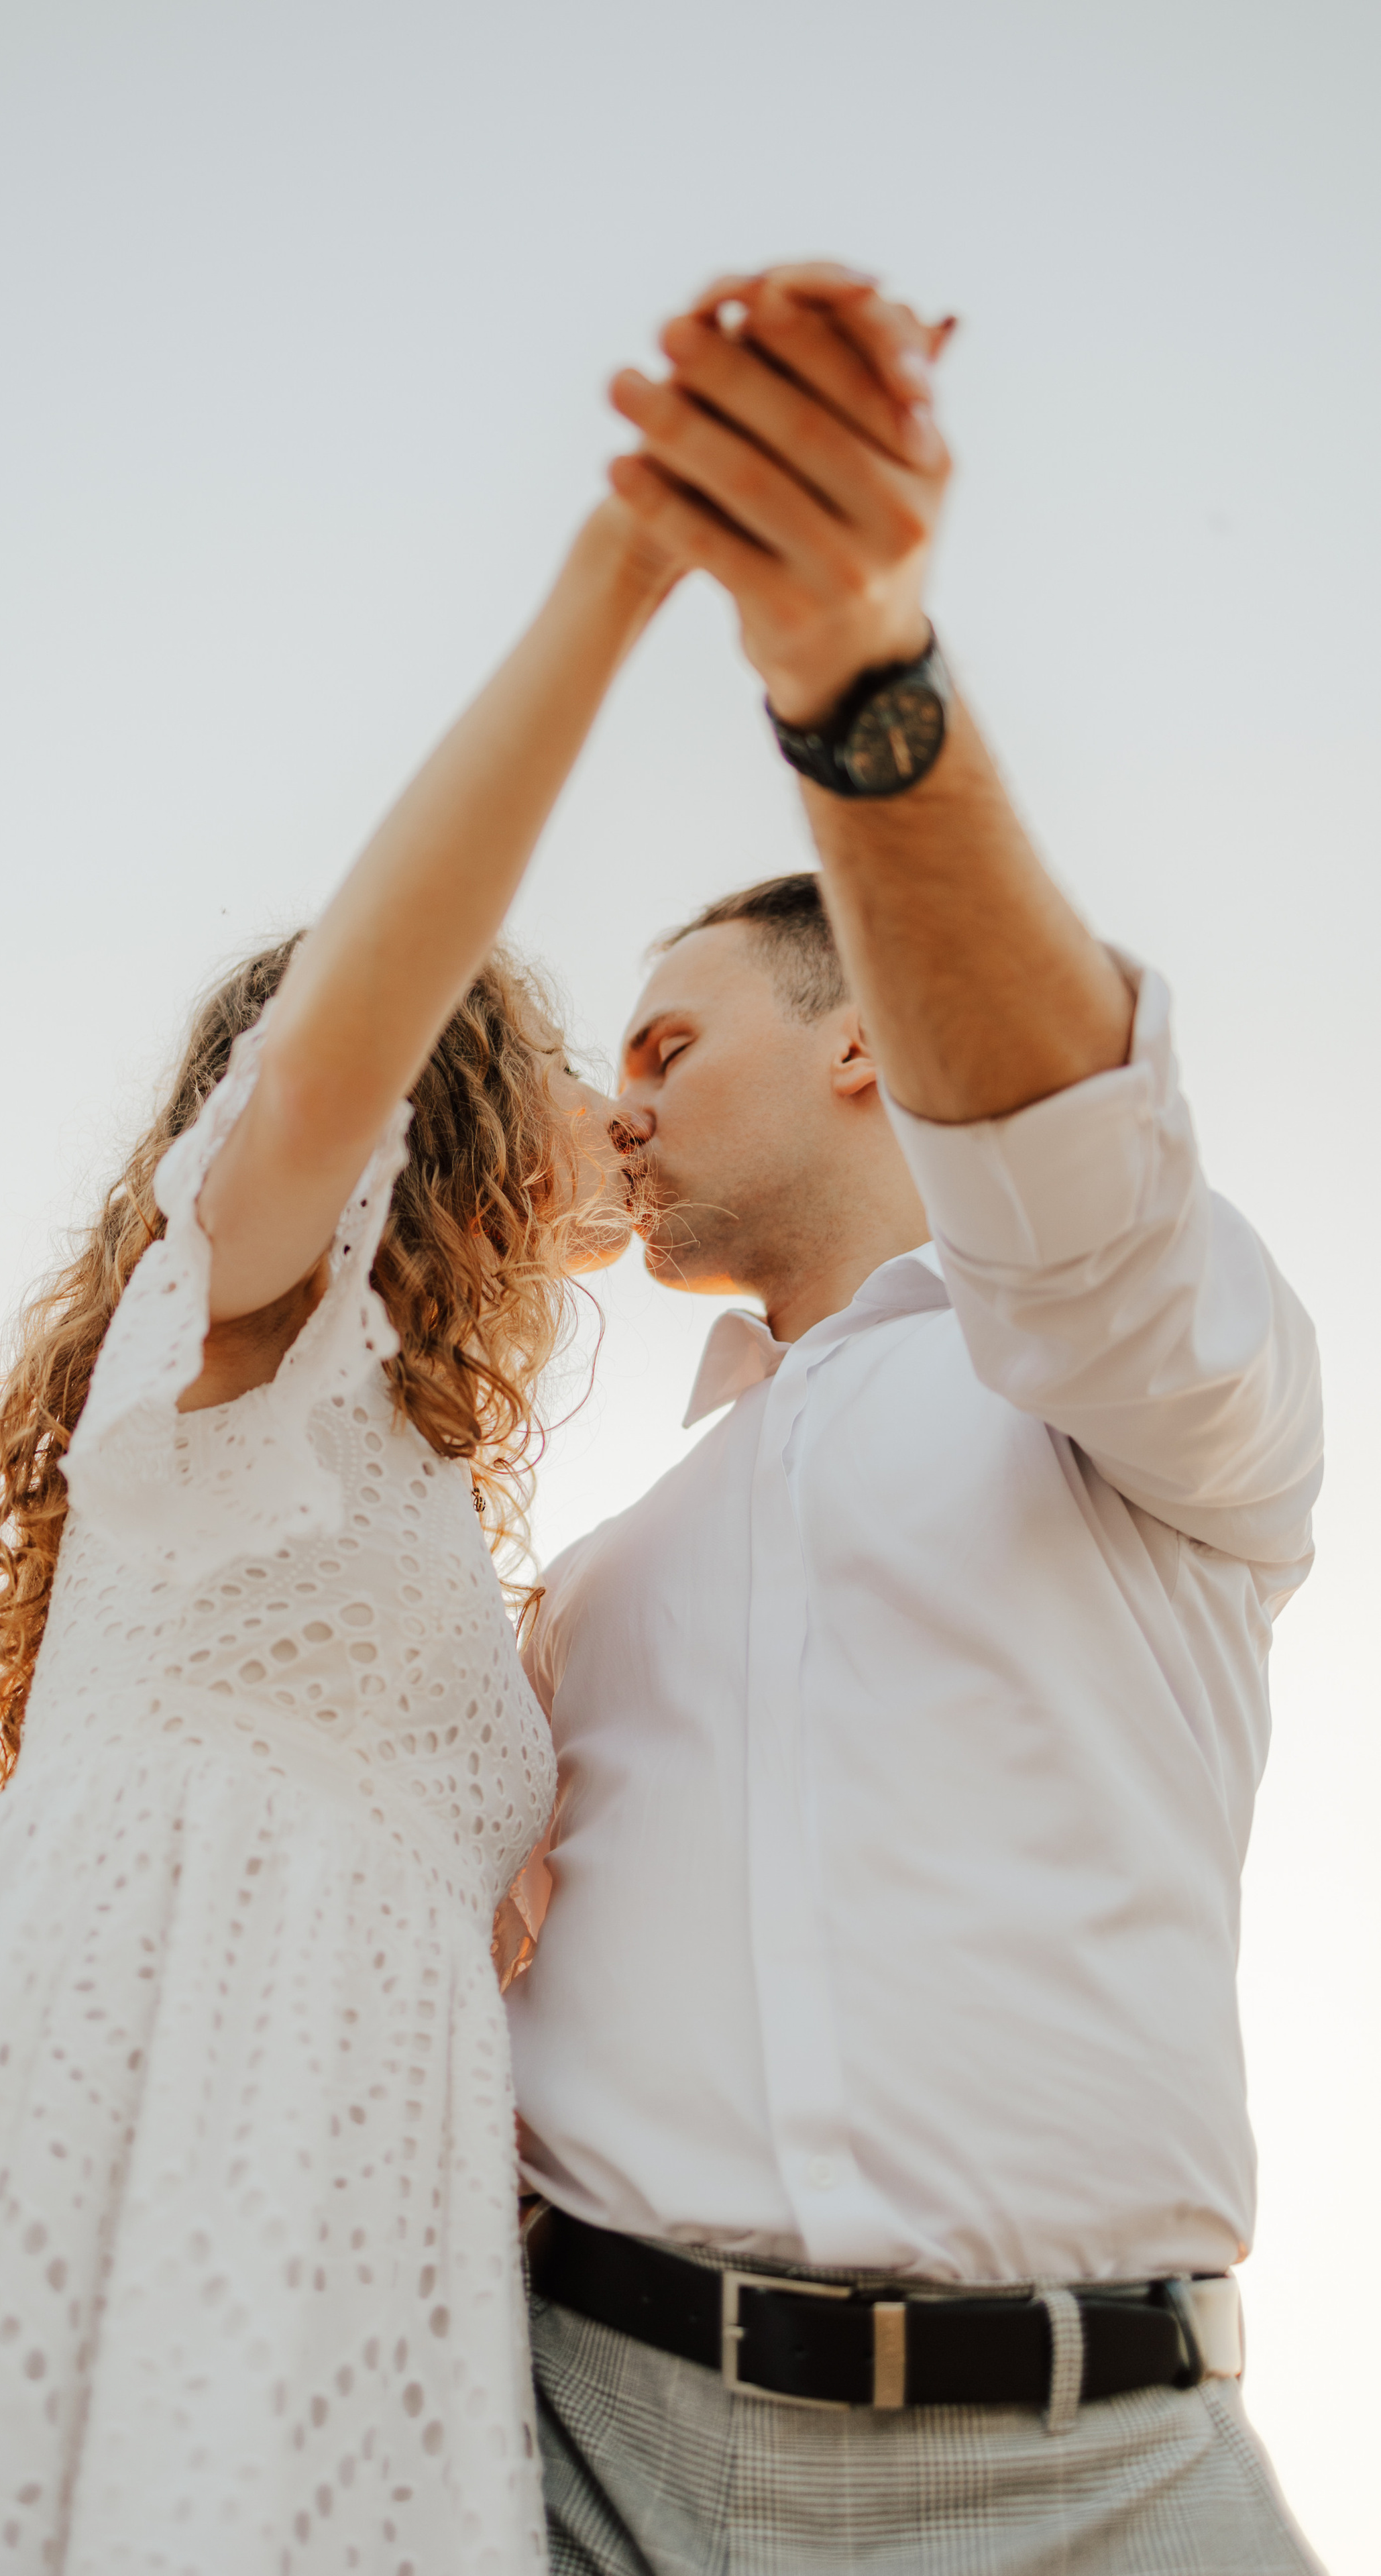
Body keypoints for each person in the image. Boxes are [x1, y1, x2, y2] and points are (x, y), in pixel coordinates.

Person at [0, 466, 705, 2570]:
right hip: (121, 2121)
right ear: (457, 1108)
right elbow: (355, 1031)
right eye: (580, 1064)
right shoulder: (244, 1327)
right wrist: (617, 587)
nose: (624, 1108)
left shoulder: (387, 1479)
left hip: (334, 2196)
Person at [508, 266, 1327, 2571]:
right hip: (570, 2452)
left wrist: (854, 683)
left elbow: (1070, 1191)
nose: (617, 1104)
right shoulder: (591, 1575)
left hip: (1110, 2484)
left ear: (868, 1030)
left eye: (670, 1045)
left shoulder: (1139, 1387)